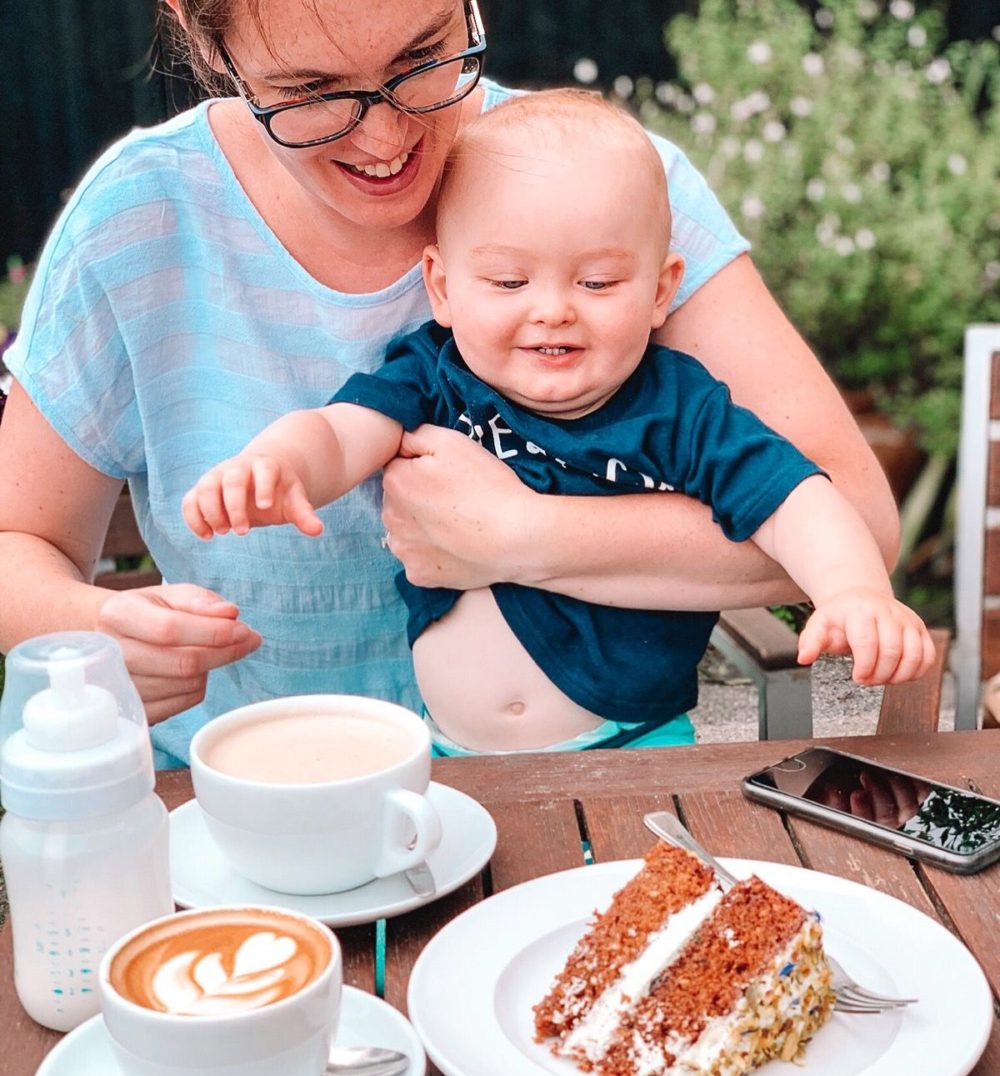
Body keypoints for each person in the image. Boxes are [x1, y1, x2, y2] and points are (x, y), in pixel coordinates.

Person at [0, 0, 902, 768]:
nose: (388, 139)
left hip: (574, 769)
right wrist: (95, 634)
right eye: (310, 94)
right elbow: (17, 542)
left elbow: (853, 515)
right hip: (256, 788)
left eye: (427, 56)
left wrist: (523, 535)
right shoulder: (135, 219)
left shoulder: (606, 185)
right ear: (214, 53)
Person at [183, 90, 935, 755]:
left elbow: (792, 496)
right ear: (442, 288)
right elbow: (345, 431)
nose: (553, 307)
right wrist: (277, 462)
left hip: (638, 746)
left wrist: (853, 591)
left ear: (661, 290)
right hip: (447, 753)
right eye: (509, 280)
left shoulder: (679, 407)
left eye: (598, 281)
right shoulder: (435, 374)